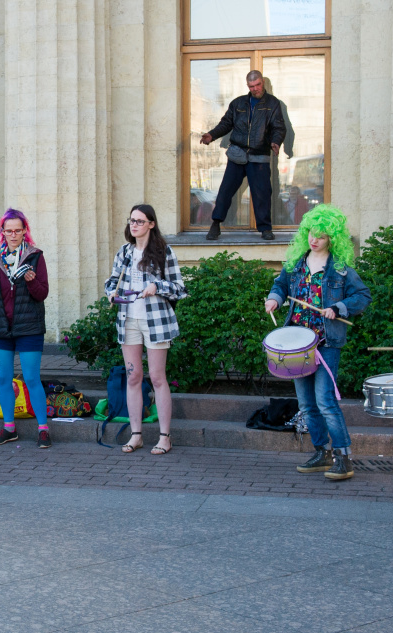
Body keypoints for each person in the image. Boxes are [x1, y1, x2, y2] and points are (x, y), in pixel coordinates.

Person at [265, 204, 372, 480]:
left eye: (321, 236)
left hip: (325, 342)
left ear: (332, 239)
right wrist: (274, 298)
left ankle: (344, 458)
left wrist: (338, 307)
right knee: (306, 404)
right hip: (297, 344)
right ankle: (321, 452)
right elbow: (280, 286)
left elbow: (362, 297)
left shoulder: (340, 270)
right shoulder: (295, 264)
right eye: (311, 233)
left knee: (325, 401)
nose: (315, 239)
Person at [103, 204, 187, 455]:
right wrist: (111, 293)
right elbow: (110, 281)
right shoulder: (125, 252)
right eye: (131, 220)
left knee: (158, 378)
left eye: (140, 221)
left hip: (156, 321)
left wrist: (156, 286)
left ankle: (164, 437)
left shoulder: (164, 251)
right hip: (128, 320)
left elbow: (180, 288)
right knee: (133, 377)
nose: (134, 225)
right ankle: (136, 435)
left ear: (151, 224)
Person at [0, 208, 51, 448]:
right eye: (9, 231)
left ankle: (43, 429)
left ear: (24, 232)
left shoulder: (34, 256)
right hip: (2, 328)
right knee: (3, 378)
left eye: (17, 230)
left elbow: (42, 294)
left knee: (32, 378)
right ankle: (9, 428)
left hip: (29, 326)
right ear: (2, 232)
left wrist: (32, 281)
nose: (13, 235)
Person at [201, 70, 286, 241]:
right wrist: (212, 135)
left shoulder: (273, 103)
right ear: (247, 86)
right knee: (225, 191)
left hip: (259, 156)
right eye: (251, 86)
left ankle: (265, 229)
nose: (255, 89)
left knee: (262, 194)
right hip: (237, 154)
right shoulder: (238, 103)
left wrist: (276, 141)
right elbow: (225, 124)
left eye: (258, 85)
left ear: (263, 83)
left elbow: (279, 127)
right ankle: (215, 224)